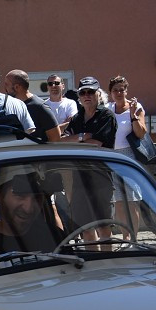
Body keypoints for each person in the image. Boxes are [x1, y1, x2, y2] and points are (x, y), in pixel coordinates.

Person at [65, 77, 117, 243]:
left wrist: (76, 140)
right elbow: (62, 141)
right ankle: (95, 265)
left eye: (91, 92)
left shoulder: (106, 116)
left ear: (98, 94)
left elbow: (96, 144)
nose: (87, 95)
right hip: (79, 177)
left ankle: (107, 263)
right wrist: (83, 136)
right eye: (83, 92)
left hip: (101, 177)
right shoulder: (77, 118)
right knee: (86, 228)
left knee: (103, 227)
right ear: (79, 96)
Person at [107, 75, 147, 237]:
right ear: (110, 93)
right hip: (111, 158)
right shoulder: (107, 109)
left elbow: (141, 133)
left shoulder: (136, 108)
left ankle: (134, 238)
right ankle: (126, 237)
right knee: (119, 203)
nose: (118, 93)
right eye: (115, 90)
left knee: (131, 202)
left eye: (121, 90)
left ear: (126, 91)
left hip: (129, 157)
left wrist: (133, 115)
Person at [5, 70, 61, 142]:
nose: (4, 88)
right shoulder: (11, 105)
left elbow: (55, 138)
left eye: (6, 84)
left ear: (17, 87)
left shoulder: (40, 107)